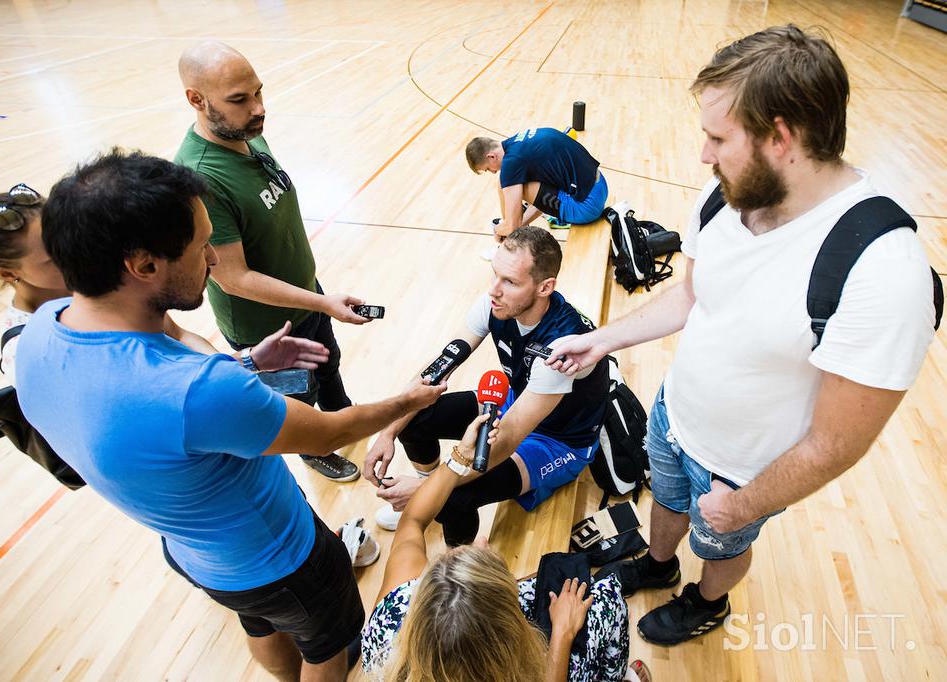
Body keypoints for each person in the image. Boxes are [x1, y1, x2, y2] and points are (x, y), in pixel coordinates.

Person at [546, 25, 936, 647]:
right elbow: (692, 297)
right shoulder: (722, 197)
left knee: (721, 543)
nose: (704, 155)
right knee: (667, 506)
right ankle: (659, 563)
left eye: (718, 138)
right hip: (676, 416)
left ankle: (707, 601)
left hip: (744, 470)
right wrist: (604, 341)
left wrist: (749, 501)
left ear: (781, 138)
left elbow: (836, 443)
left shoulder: (884, 270)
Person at [14, 150, 446, 681]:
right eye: (201, 248)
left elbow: (165, 347)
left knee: (262, 624)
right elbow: (332, 431)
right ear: (144, 265)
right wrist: (408, 401)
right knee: (329, 648)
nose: (214, 263)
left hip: (199, 557)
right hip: (282, 559)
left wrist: (242, 364)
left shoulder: (40, 331)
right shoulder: (200, 394)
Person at [175, 40, 371, 483]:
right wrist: (321, 303)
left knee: (328, 362)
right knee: (296, 398)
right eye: (240, 100)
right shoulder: (201, 176)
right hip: (266, 324)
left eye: (259, 93)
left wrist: (316, 298)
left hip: (305, 293)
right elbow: (235, 279)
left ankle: (339, 417)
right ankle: (314, 449)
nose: (259, 108)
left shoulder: (245, 132)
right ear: (196, 100)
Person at [361, 412, 651, 682]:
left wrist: (460, 456)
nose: (482, 540)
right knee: (605, 599)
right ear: (506, 630)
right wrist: (562, 634)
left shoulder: (393, 611)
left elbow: (412, 518)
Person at [364, 226, 610, 543]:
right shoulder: (496, 303)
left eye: (510, 282)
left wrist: (434, 487)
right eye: (495, 274)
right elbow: (436, 370)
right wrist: (388, 431)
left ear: (545, 287)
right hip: (516, 401)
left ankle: (454, 554)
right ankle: (427, 504)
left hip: (558, 441)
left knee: (455, 498)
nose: (494, 289)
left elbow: (508, 437)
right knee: (416, 420)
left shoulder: (562, 346)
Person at [0, 185, 241, 383]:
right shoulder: (27, 350)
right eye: (53, 256)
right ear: (6, 274)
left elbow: (176, 334)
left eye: (68, 240)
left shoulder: (92, 273)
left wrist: (224, 372)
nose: (73, 254)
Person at [466, 129, 609, 245]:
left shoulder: (511, 163)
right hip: (600, 186)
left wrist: (499, 230)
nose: (492, 172)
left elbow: (513, 226)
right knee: (511, 184)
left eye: (487, 169)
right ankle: (513, 227)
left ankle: (510, 238)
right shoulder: (519, 140)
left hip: (587, 207)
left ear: (491, 156)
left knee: (504, 184)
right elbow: (543, 197)